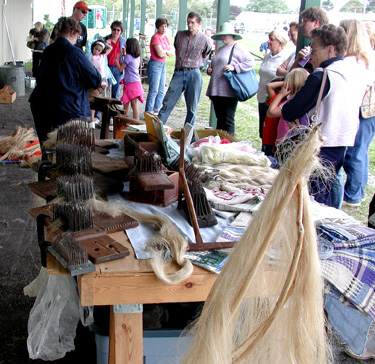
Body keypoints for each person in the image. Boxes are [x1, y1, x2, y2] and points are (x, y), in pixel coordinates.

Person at [281, 24, 369, 207]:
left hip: (321, 142)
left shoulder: (324, 75)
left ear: (330, 49)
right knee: (332, 182)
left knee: (316, 197)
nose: (310, 55)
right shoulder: (354, 70)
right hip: (343, 138)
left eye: (313, 49)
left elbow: (290, 111)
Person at [29, 17, 102, 146]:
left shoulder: (48, 50)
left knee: (48, 150)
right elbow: (95, 80)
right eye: (77, 36)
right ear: (73, 32)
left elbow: (40, 78)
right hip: (67, 108)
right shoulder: (75, 53)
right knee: (68, 154)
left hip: (42, 105)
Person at [338, 20, 375, 208]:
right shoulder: (364, 58)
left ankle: (352, 194)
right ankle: (357, 191)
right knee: (360, 152)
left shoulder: (354, 62)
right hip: (366, 111)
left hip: (363, 112)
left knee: (355, 154)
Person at [157, 12, 212, 126]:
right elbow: (177, 47)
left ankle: (187, 136)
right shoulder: (180, 35)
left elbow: (207, 53)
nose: (190, 25)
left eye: (192, 22)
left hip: (194, 73)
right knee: (167, 103)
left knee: (192, 108)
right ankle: (156, 131)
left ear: (199, 23)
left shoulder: (204, 39)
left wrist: (197, 62)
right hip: (179, 72)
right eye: (188, 22)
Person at [206, 22, 255, 135]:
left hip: (228, 91)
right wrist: (211, 70)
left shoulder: (238, 48)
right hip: (216, 90)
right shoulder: (221, 49)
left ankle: (229, 143)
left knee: (227, 120)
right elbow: (215, 64)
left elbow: (250, 63)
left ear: (232, 35)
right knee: (220, 119)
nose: (223, 37)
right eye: (222, 35)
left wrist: (235, 67)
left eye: (225, 35)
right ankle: (220, 142)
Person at [257, 29, 289, 139]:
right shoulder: (267, 56)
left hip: (274, 99)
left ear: (280, 42)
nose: (269, 41)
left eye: (272, 39)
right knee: (263, 130)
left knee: (272, 132)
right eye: (269, 39)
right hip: (262, 97)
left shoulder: (285, 57)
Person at [267, 68, 309, 143]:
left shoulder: (291, 102)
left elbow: (270, 113)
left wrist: (280, 94)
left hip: (286, 142)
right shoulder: (305, 100)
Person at [145, 18, 174, 115]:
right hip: (155, 64)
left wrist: (164, 51)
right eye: (162, 26)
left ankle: (156, 110)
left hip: (163, 64)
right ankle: (148, 112)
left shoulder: (165, 38)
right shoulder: (155, 37)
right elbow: (160, 53)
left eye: (166, 26)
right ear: (158, 27)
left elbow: (172, 52)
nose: (164, 28)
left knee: (161, 89)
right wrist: (166, 51)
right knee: (154, 90)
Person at [290, 6, 329, 72]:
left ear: (316, 23)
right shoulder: (309, 47)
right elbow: (291, 76)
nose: (301, 24)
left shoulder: (324, 49)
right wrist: (297, 60)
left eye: (305, 21)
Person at [115, 38, 144, 120]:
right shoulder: (137, 57)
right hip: (136, 82)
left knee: (127, 104)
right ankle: (135, 121)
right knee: (134, 105)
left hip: (130, 83)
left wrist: (116, 60)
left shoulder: (128, 57)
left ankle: (125, 120)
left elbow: (120, 69)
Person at [88, 39, 112, 128]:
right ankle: (92, 120)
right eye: (95, 49)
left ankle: (104, 121)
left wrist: (104, 43)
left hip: (102, 80)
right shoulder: (90, 57)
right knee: (93, 101)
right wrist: (96, 40)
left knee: (103, 101)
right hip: (94, 80)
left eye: (99, 50)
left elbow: (110, 48)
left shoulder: (102, 56)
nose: (96, 51)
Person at [104, 21, 127, 100]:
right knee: (104, 90)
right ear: (111, 30)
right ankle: (101, 111)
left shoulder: (124, 41)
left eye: (118, 30)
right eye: (114, 29)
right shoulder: (105, 39)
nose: (116, 32)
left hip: (118, 68)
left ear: (121, 31)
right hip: (107, 68)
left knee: (116, 93)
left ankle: (113, 111)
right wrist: (105, 45)